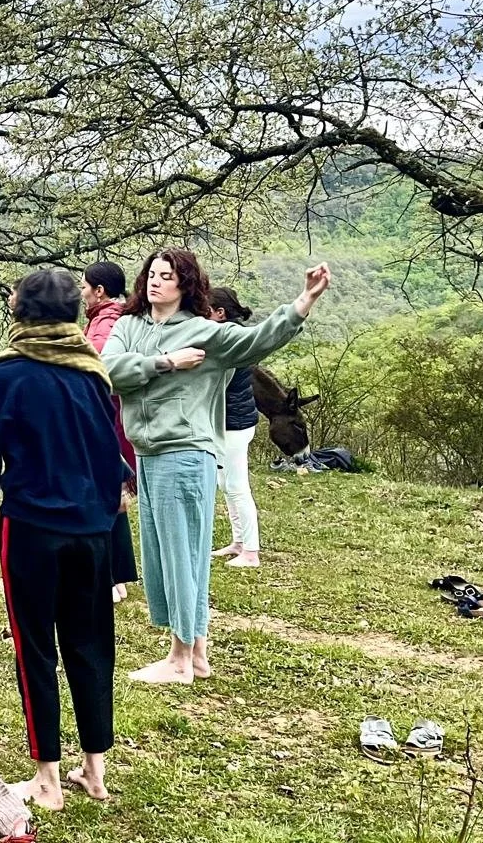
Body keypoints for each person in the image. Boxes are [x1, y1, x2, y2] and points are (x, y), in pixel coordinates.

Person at [100, 250, 330, 685]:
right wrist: (165, 363)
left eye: (167, 277)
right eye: (152, 274)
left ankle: (181, 660)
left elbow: (260, 340)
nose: (156, 283)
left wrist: (304, 300)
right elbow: (107, 370)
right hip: (147, 455)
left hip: (185, 455)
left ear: (185, 285)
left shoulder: (206, 333)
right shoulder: (129, 326)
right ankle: (197, 655)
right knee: (165, 556)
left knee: (183, 555)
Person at [0, 269, 128, 810]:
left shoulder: (6, 374)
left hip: (32, 526)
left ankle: (48, 782)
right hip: (93, 528)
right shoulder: (90, 371)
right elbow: (111, 448)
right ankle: (95, 772)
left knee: (35, 649)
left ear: (21, 309)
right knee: (92, 643)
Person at [80, 262, 140, 605]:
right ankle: (115, 574)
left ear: (99, 291)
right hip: (113, 421)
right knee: (110, 497)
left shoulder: (105, 324)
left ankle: (113, 577)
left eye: (84, 286)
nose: (82, 292)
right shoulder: (114, 318)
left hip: (107, 423)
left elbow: (98, 373)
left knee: (107, 498)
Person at [208, 287, 262, 568]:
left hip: (235, 423)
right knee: (226, 483)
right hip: (232, 421)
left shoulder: (231, 341)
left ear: (220, 313)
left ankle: (251, 551)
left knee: (238, 485)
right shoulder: (232, 337)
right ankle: (238, 541)